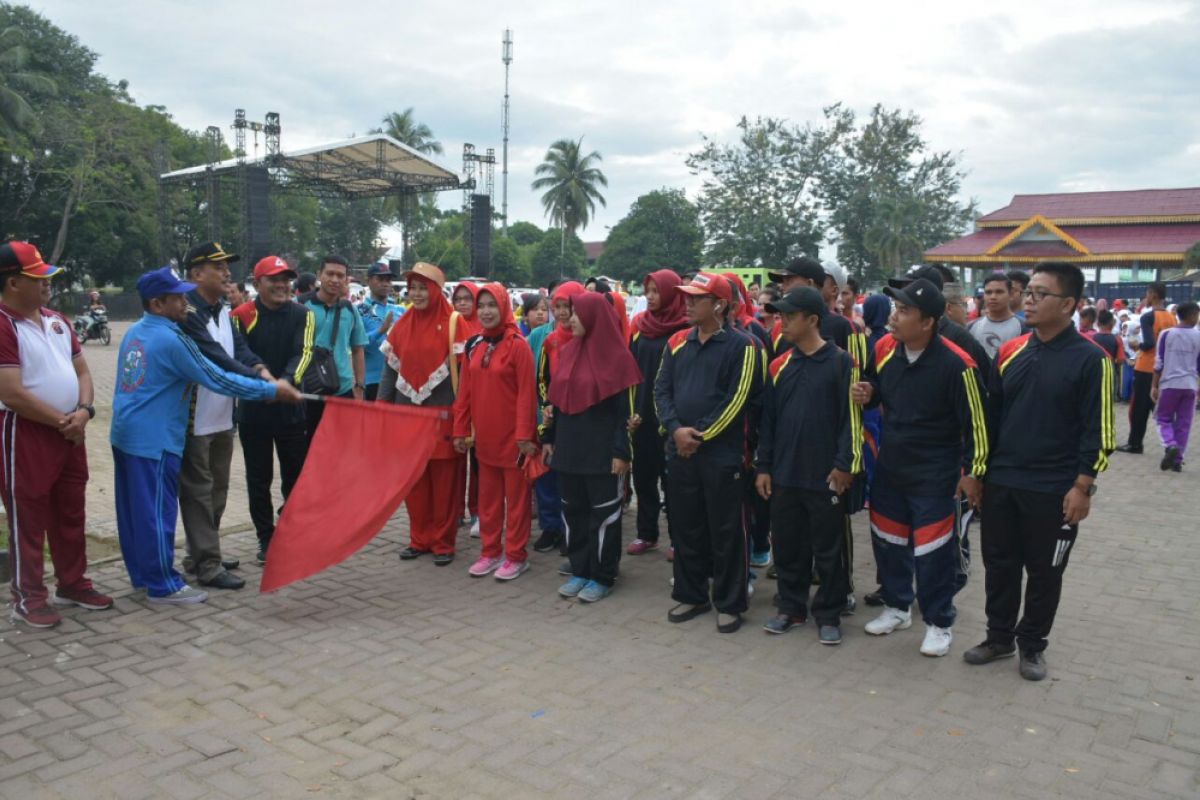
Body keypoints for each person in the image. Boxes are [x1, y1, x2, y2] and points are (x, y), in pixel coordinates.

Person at [111, 267, 301, 604]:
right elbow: (216, 377)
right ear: (157, 303)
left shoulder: (137, 331)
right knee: (157, 512)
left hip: (128, 433)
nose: (186, 301)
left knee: (135, 511)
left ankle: (143, 573)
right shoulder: (171, 338)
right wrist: (269, 390)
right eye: (178, 297)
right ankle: (162, 584)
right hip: (154, 439)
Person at [965, 262, 1115, 681]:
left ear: (1069, 304)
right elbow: (989, 421)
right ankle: (998, 638)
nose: (1027, 300)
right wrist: (976, 472)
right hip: (1002, 482)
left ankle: (1032, 645)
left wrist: (1083, 486)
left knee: (1046, 571)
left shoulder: (1092, 360)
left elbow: (1100, 431)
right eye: (1026, 291)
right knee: (1000, 564)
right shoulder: (1012, 353)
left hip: (1054, 489)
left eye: (1039, 293)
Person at [853, 278, 989, 657]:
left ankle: (939, 622)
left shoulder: (958, 365)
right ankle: (897, 607)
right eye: (895, 310)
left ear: (928, 321)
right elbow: (876, 385)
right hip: (892, 468)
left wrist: (972, 472)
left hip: (935, 474)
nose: (895, 318)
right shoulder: (884, 350)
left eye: (905, 311)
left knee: (933, 553)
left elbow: (978, 425)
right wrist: (870, 392)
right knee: (888, 541)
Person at [0, 241, 112, 628]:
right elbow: (11, 392)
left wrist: (83, 412)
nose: (48, 284)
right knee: (28, 514)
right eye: (38, 278)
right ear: (13, 282)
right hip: (26, 431)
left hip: (69, 430)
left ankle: (72, 582)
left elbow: (82, 372)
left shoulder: (56, 320)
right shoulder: (2, 322)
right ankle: (28, 597)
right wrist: (64, 421)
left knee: (70, 509)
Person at [756, 287, 862, 645]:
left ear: (812, 320)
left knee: (828, 549)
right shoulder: (779, 364)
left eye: (789, 315)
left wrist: (844, 464)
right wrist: (764, 466)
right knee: (788, 545)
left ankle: (829, 612)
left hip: (826, 475)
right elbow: (767, 421)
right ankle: (791, 607)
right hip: (785, 474)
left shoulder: (841, 363)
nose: (780, 321)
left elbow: (851, 420)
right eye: (779, 315)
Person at [655, 272, 759, 633]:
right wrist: (674, 430)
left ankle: (730, 602)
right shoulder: (677, 342)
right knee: (686, 527)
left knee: (727, 530)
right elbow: (661, 391)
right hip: (680, 453)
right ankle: (692, 593)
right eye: (686, 297)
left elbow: (738, 400)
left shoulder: (744, 346)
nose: (687, 303)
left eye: (696, 298)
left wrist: (698, 436)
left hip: (721, 455)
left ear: (719, 305)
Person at [177, 242, 272, 592]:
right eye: (218, 266)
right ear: (197, 273)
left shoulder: (222, 310)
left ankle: (202, 552)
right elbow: (216, 357)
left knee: (217, 489)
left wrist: (259, 367)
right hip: (195, 419)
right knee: (198, 492)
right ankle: (207, 563)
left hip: (222, 415)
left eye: (227, 266)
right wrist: (263, 384)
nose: (226, 272)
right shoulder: (187, 313)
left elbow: (240, 349)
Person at [543, 292, 639, 602]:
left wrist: (622, 451)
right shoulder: (570, 351)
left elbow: (625, 413)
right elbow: (556, 402)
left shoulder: (618, 358)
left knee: (604, 516)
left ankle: (603, 575)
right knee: (574, 512)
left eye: (576, 313)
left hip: (602, 455)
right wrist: (548, 437)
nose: (570, 319)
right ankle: (581, 570)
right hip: (570, 450)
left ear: (595, 317)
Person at [381, 262, 471, 566]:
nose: (417, 294)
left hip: (444, 416)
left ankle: (443, 542)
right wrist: (383, 410)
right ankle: (419, 538)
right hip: (408, 417)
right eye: (413, 288)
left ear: (435, 290)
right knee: (415, 482)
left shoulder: (456, 324)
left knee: (445, 484)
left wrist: (465, 420)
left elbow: (468, 380)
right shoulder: (402, 324)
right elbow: (389, 374)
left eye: (423, 288)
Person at [230, 255, 315, 564]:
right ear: (257, 284)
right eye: (274, 279)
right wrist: (265, 386)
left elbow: (303, 353)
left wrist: (286, 383)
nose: (282, 285)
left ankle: (291, 530)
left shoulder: (303, 314)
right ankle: (266, 538)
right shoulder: (240, 314)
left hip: (291, 408)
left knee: (295, 476)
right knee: (258, 478)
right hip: (254, 410)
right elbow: (240, 356)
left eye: (286, 279)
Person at [453, 284, 538, 580]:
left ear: (503, 307)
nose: (487, 311)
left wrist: (525, 436)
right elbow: (464, 393)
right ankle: (490, 552)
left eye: (493, 305)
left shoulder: (519, 345)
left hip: (515, 440)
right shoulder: (474, 344)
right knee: (488, 501)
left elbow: (528, 394)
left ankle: (516, 555)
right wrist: (460, 430)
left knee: (516, 503)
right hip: (484, 440)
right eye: (482, 305)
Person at [627, 270, 690, 557]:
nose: (651, 297)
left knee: (673, 481)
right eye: (647, 291)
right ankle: (646, 533)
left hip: (672, 418)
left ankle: (678, 538)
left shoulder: (684, 330)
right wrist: (631, 412)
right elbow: (630, 370)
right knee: (643, 477)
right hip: (642, 417)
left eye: (656, 291)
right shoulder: (640, 326)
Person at [532, 281, 587, 553]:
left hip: (581, 421)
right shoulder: (550, 341)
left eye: (569, 306)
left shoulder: (587, 337)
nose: (563, 313)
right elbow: (543, 379)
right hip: (555, 418)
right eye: (558, 307)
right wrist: (548, 407)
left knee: (574, 481)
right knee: (548, 474)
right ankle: (551, 528)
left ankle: (572, 533)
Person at [301, 257, 368, 444]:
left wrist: (360, 387)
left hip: (343, 390)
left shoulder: (350, 310)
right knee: (309, 449)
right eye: (330, 273)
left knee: (342, 448)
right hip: (310, 390)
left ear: (346, 280)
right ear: (319, 275)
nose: (335, 279)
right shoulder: (301, 308)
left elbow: (358, 349)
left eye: (340, 275)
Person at [1119, 282, 1176, 454]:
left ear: (1154, 295)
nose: (1146, 298)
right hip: (1163, 367)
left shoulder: (1148, 317)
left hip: (1146, 367)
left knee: (1139, 408)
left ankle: (1135, 443)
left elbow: (1150, 343)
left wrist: (1137, 346)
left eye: (1147, 294)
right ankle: (1170, 444)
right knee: (1160, 407)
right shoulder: (1171, 317)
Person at [1151, 301, 1200, 472]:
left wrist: (1154, 385)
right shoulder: (1198, 336)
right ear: (1193, 315)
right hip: (1190, 385)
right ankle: (1178, 460)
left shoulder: (1167, 334)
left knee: (1162, 418)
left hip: (1170, 384)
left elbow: (1159, 362)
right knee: (1184, 423)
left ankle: (1170, 444)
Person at [359, 262, 404, 401]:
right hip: (372, 381)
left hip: (400, 380)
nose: (385, 284)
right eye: (380, 279)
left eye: (388, 280)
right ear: (368, 281)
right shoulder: (360, 310)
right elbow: (357, 346)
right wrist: (381, 330)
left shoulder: (401, 310)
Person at [968, 273, 1026, 361]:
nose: (993, 297)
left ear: (1010, 294)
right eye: (988, 292)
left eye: (999, 292)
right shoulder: (971, 327)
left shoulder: (1024, 327)